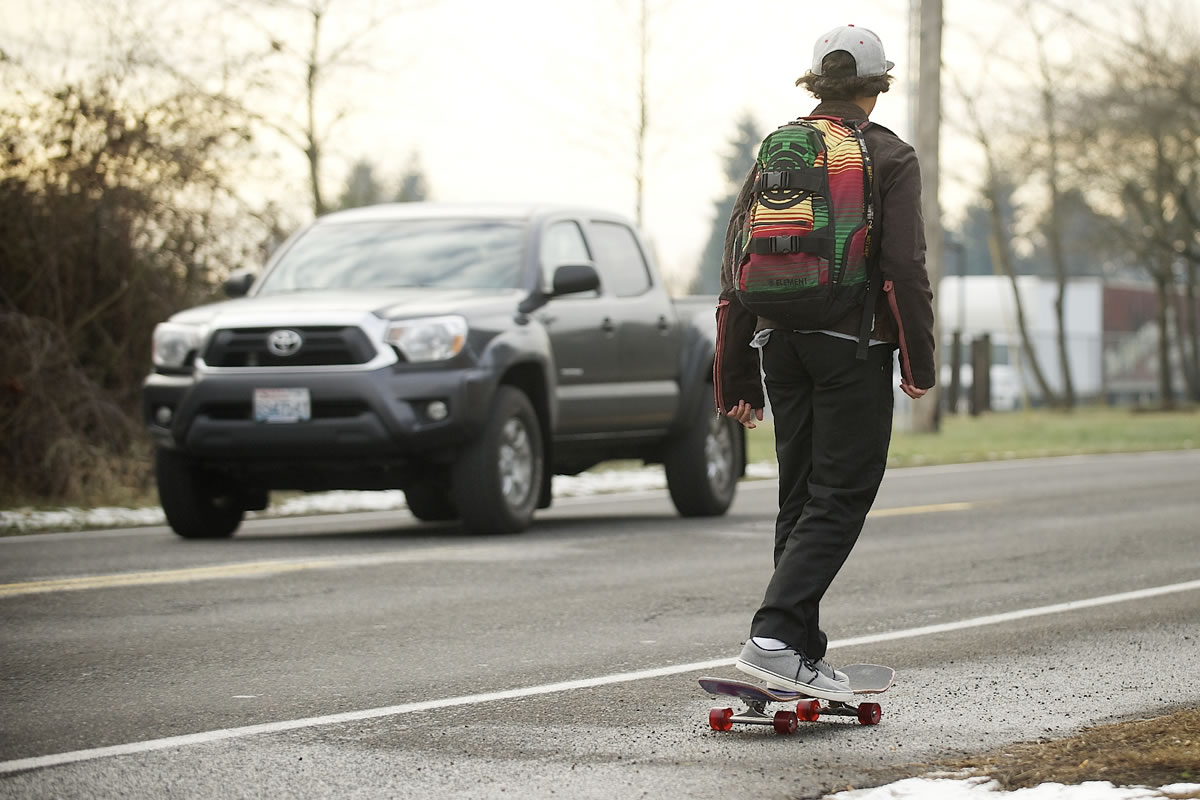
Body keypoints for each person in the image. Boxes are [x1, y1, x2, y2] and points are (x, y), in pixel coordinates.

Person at [714, 24, 936, 701]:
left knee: (801, 496)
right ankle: (776, 636)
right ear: (878, 86)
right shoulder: (888, 156)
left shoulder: (780, 150)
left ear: (815, 83)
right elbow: (903, 266)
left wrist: (736, 374)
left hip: (778, 342)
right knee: (839, 496)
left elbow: (738, 259)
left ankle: (800, 654)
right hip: (850, 347)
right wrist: (919, 362)